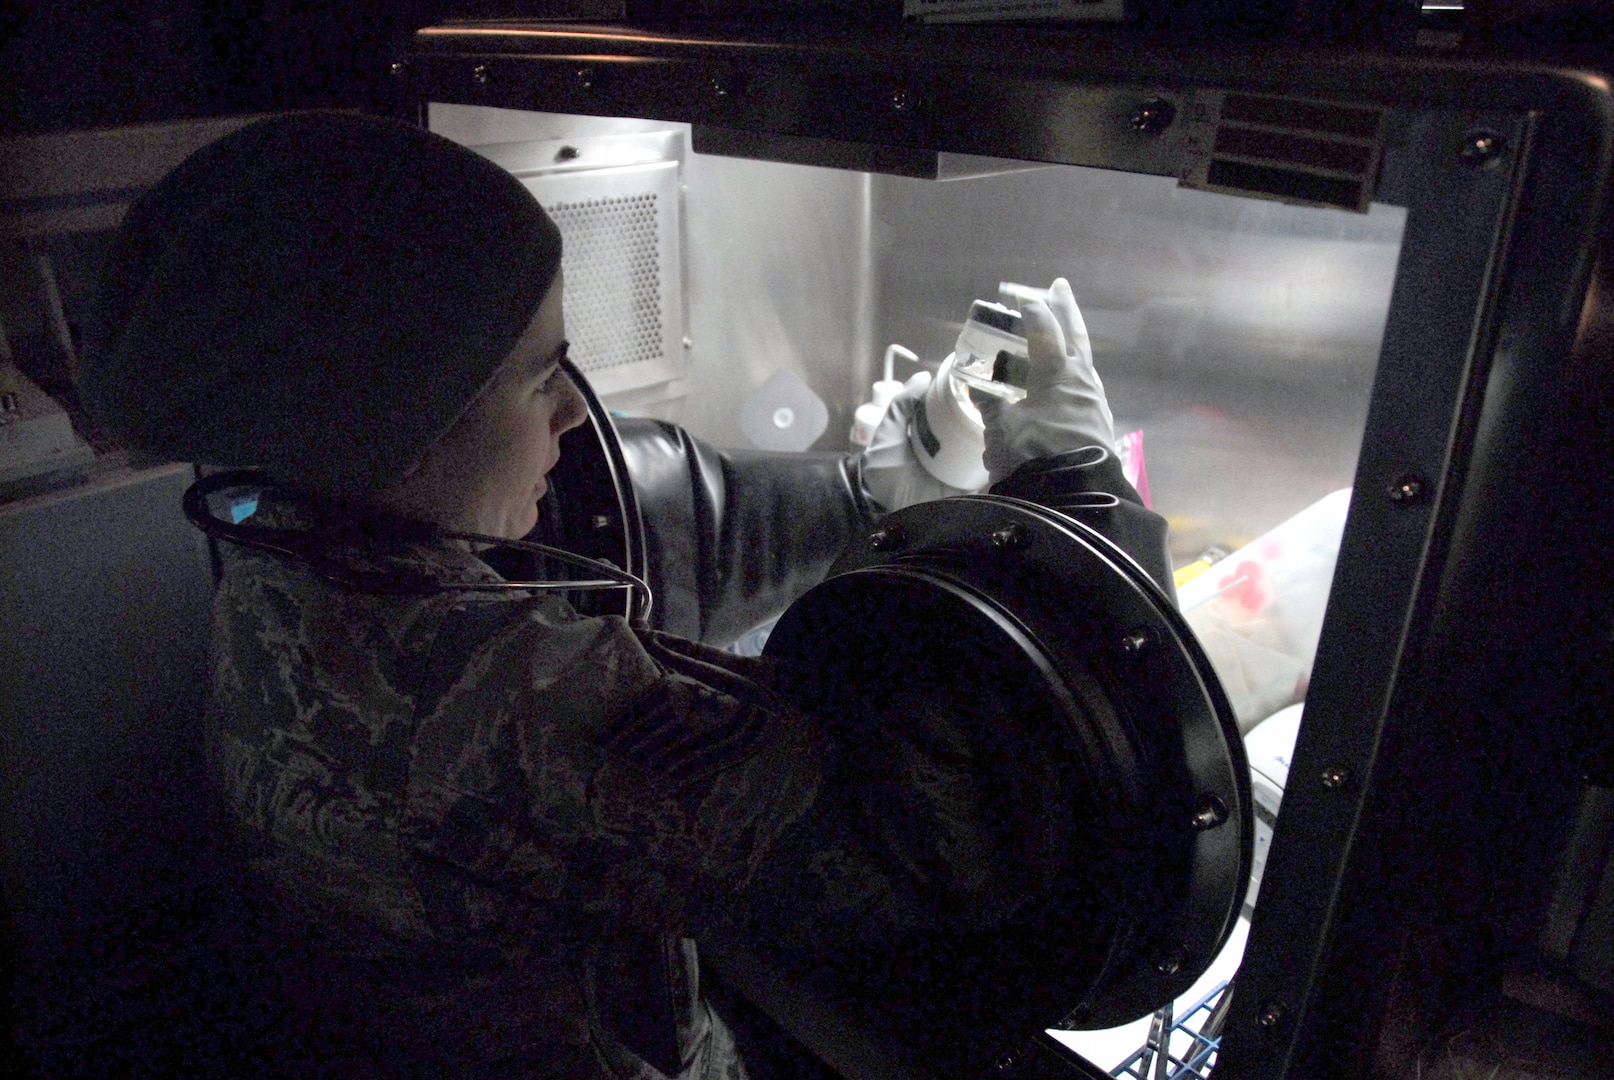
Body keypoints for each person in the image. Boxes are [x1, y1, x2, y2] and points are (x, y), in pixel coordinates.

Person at [80, 112, 1165, 1079]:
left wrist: (870, 491)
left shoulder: (274, 570)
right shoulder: (522, 695)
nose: (568, 416)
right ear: (398, 425)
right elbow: (952, 857)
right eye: (540, 374)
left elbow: (692, 534)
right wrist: (1074, 488)